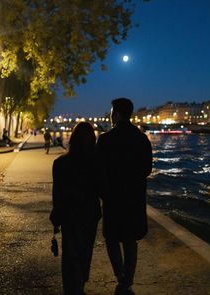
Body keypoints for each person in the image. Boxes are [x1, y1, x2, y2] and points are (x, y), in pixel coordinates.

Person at [96, 98, 152, 295]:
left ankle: (119, 273)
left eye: (112, 111)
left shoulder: (104, 140)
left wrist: (104, 193)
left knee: (111, 237)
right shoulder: (142, 139)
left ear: (117, 114)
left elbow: (99, 171)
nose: (111, 115)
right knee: (130, 240)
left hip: (112, 198)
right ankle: (128, 280)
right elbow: (147, 169)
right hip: (134, 199)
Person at [50, 122, 102, 295]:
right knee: (85, 249)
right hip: (90, 213)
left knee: (70, 251)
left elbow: (57, 193)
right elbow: (102, 190)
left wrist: (56, 217)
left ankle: (71, 287)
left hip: (68, 213)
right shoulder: (96, 163)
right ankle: (80, 282)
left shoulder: (60, 163)